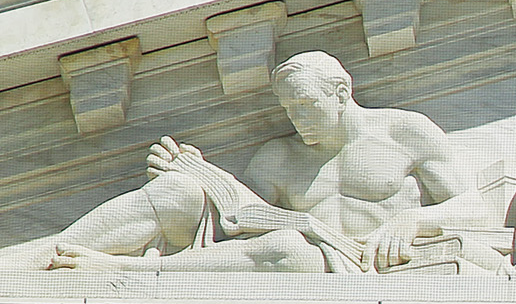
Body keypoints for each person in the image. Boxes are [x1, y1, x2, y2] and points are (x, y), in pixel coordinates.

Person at [4, 53, 470, 274]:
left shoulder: (403, 131)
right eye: (289, 109)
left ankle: (126, 271)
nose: (296, 118)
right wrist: (201, 175)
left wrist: (414, 220)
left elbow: (479, 208)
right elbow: (241, 222)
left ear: (342, 93)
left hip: (357, 268)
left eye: (306, 105)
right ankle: (32, 264)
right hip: (290, 248)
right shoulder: (279, 157)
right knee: (178, 193)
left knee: (288, 247)